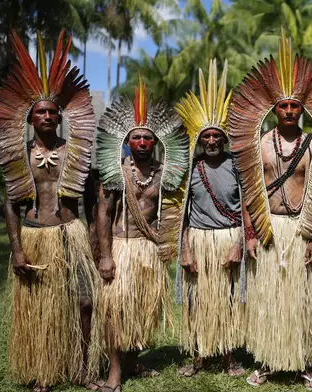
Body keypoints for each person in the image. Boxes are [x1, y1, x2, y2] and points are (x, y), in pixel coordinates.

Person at [228, 32, 312, 390]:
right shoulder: (260, 144)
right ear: (275, 109)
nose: (291, 111)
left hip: (301, 229)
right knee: (267, 298)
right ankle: (265, 361)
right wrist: (250, 233)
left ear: (302, 109)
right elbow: (250, 192)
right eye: (284, 106)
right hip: (269, 229)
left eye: (296, 106)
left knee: (302, 299)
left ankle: (305, 362)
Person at [0, 30, 102, 392]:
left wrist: (97, 246)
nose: (48, 117)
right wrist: (17, 249)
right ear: (30, 118)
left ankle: (83, 367)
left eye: (53, 111)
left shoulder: (76, 150)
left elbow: (91, 201)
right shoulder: (19, 154)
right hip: (35, 234)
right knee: (41, 307)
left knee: (85, 302)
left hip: (72, 234)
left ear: (60, 116)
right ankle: (44, 371)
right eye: (41, 111)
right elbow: (12, 203)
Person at [95, 77, 189, 392]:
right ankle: (115, 371)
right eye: (137, 138)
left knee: (143, 308)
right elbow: (103, 213)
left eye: (148, 138)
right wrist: (106, 255)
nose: (143, 143)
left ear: (156, 142)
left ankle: (134, 360)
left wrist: (168, 242)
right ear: (128, 142)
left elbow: (176, 210)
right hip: (122, 248)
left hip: (149, 251)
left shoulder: (166, 174)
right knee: (115, 311)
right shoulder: (115, 171)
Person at [174, 59, 246, 377]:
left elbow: (246, 208)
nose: (212, 141)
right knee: (198, 301)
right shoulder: (191, 168)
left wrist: (239, 245)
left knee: (229, 300)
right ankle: (199, 357)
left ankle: (230, 357)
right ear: (199, 140)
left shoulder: (238, 165)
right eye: (207, 137)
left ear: (225, 138)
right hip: (199, 240)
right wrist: (185, 251)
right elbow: (180, 214)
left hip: (229, 238)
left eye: (217, 136)